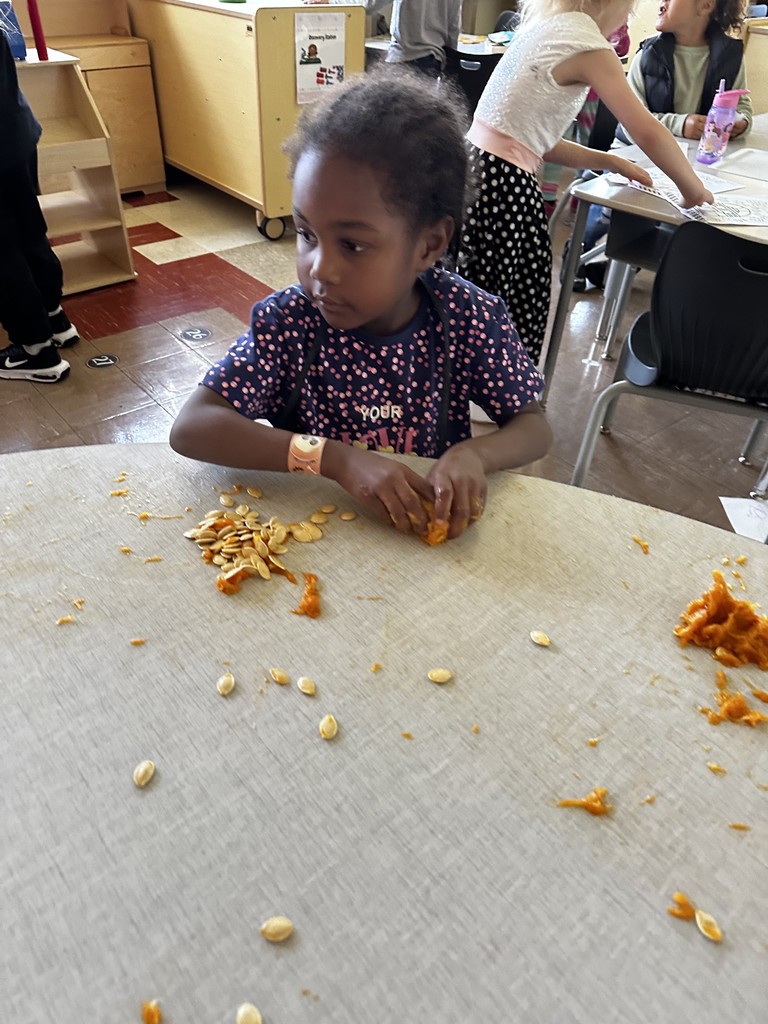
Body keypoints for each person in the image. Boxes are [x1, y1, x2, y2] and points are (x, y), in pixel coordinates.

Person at [170, 67, 552, 542]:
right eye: (307, 234)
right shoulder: (289, 323)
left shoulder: (468, 319)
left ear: (429, 245)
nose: (320, 269)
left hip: (417, 546)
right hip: (313, 537)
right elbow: (193, 427)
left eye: (352, 245)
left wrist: (475, 454)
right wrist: (336, 459)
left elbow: (533, 426)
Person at [457, 0, 714, 364]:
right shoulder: (588, 44)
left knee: (469, 299)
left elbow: (525, 138)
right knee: (505, 305)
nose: (628, 21)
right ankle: (492, 404)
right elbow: (647, 130)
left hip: (473, 169)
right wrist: (693, 189)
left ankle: (465, 395)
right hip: (505, 188)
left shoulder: (544, 28)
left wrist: (605, 159)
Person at [577, 0, 752, 288]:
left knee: (712, 223)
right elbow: (632, 123)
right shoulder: (648, 54)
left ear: (705, 6)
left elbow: (742, 105)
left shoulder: (731, 56)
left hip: (700, 167)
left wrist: (739, 122)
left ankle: (678, 276)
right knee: (616, 207)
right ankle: (584, 253)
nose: (662, 2)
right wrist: (679, 123)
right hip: (638, 160)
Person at [0, 26, 78, 383]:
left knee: (2, 252)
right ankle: (54, 317)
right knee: (29, 229)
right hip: (14, 133)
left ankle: (36, 351)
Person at [301, 0, 462, 76]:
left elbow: (369, 5)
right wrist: (451, 60)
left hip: (405, 58)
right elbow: (454, 25)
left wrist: (333, 1)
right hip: (435, 61)